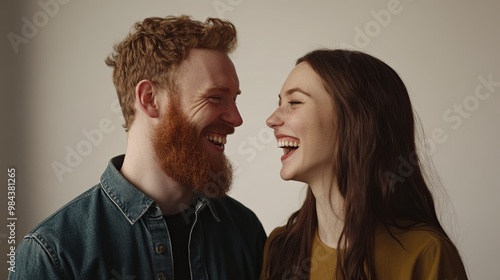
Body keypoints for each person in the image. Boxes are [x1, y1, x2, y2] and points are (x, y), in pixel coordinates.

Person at [10, 15, 266, 280]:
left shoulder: (244, 231)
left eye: (234, 100)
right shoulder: (55, 253)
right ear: (149, 99)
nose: (236, 119)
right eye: (215, 97)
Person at [261, 49, 468, 280]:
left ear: (354, 120)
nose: (272, 120)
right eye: (280, 103)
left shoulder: (427, 254)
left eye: (295, 102)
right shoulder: (279, 248)